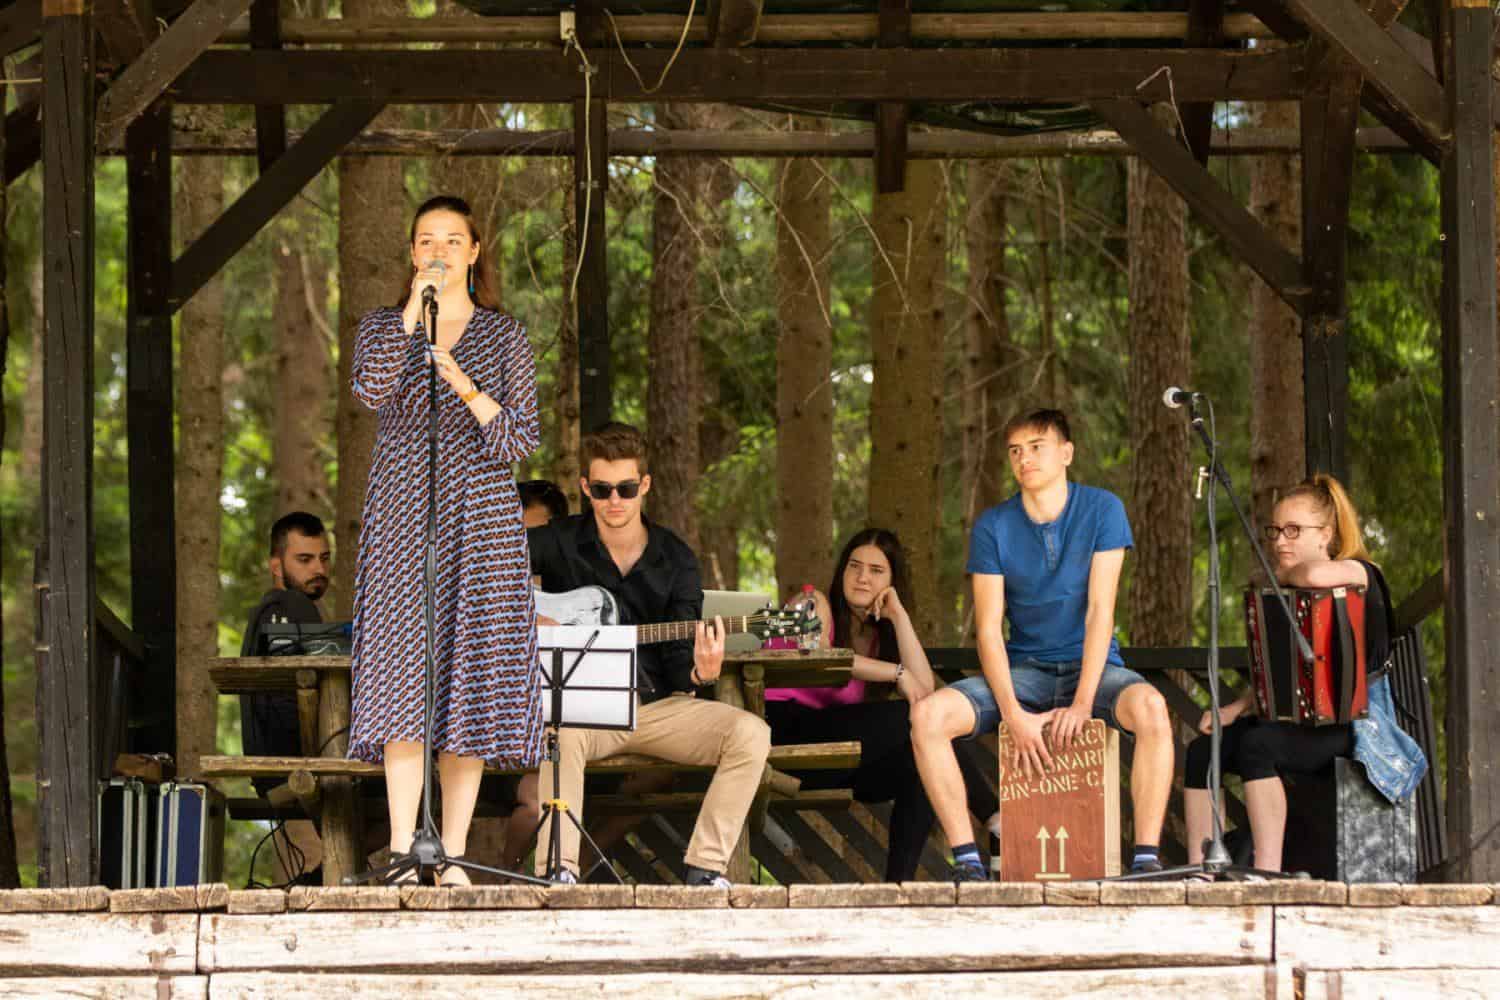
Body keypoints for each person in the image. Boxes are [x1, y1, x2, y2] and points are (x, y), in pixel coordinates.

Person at [347, 194, 544, 886]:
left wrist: (464, 384)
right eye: (426, 240)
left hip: (481, 525)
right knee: (404, 679)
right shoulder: (383, 327)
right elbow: (370, 391)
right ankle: (404, 848)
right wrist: (412, 314)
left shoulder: (504, 334)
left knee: (468, 681)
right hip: (402, 520)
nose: (438, 251)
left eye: (452, 240)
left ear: (474, 251)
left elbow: (518, 439)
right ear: (411, 253)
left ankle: (453, 853)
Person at [910, 408, 1175, 880]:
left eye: (1036, 447)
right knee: (928, 717)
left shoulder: (1103, 510)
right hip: (1023, 673)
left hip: (1093, 669)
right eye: (1015, 451)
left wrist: (1082, 703)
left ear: (1066, 453)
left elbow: (1100, 612)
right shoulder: (993, 526)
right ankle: (967, 861)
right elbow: (988, 629)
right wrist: (1013, 714)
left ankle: (1146, 859)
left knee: (1152, 708)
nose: (1024, 458)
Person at [528, 421, 771, 887]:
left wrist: (701, 673)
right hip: (585, 713)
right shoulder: (557, 540)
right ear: (586, 488)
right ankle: (559, 873)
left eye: (625, 488)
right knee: (559, 734)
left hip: (659, 707)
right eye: (602, 490)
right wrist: (527, 618)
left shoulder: (676, 558)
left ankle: (705, 868)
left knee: (751, 734)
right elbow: (485, 566)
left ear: (644, 485)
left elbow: (681, 663)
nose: (614, 501)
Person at [1183, 474, 1427, 873]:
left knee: (1258, 746)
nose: (1280, 541)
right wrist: (1236, 709)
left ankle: (1268, 872)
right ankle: (1200, 870)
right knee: (1203, 751)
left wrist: (1281, 577)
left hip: (1360, 725)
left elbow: (1314, 576)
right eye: (1276, 530)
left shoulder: (1363, 573)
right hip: (1304, 722)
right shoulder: (1294, 595)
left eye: (1294, 530)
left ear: (1325, 534)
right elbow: (1286, 672)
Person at [765, 528, 1002, 882]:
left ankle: (897, 889)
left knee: (922, 760)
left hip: (830, 753)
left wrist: (898, 614)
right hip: (783, 736)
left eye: (876, 571)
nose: (862, 577)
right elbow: (817, 654)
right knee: (912, 717)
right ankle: (995, 817)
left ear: (892, 581)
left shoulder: (876, 636)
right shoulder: (815, 603)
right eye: (854, 566)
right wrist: (896, 673)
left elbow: (924, 689)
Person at [239, 511, 333, 883]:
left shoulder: (270, 612)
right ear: (276, 565)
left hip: (272, 774)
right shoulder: (290, 607)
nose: (319, 569)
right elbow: (284, 708)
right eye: (305, 559)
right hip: (292, 771)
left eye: (324, 558)